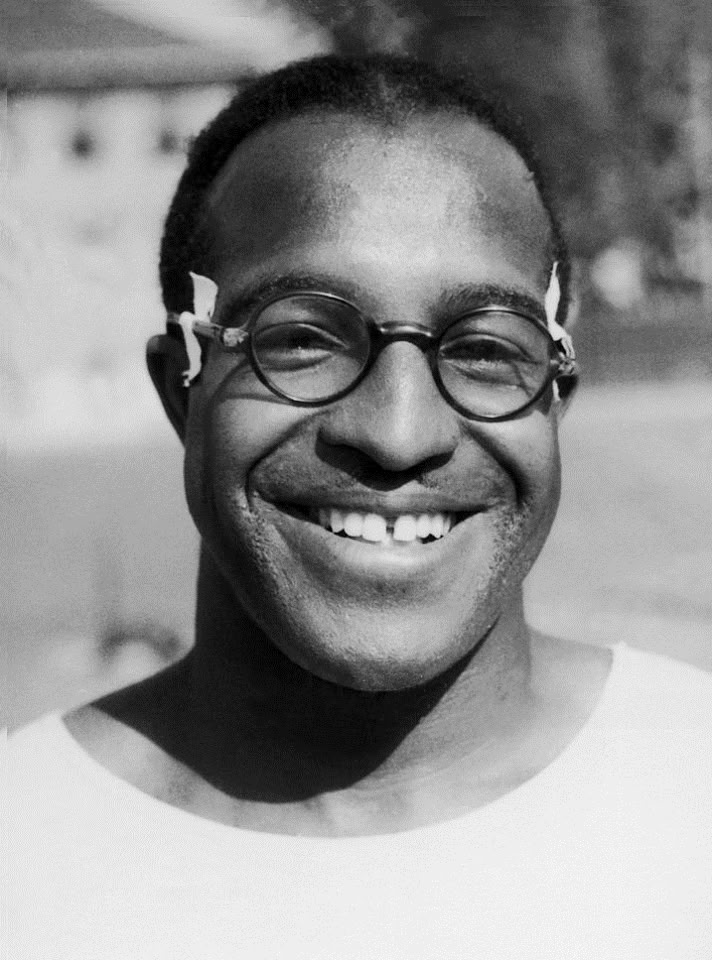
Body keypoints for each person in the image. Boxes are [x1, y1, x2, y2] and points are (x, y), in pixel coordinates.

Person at [7, 54, 711, 959]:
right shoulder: (26, 856)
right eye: (302, 338)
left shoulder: (690, 789)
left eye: (486, 349)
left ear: (554, 400)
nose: (399, 433)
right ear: (182, 387)